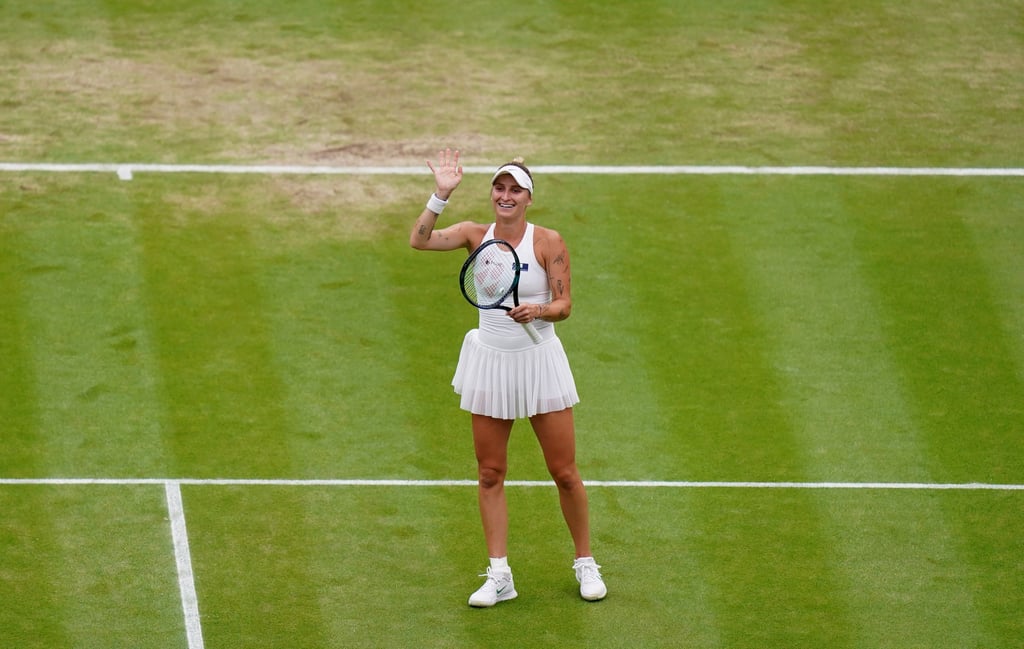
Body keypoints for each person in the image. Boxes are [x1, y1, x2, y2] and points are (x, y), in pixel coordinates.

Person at [409, 148, 607, 607]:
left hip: (539, 364)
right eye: (499, 187)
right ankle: (500, 575)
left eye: (514, 189)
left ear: (528, 197)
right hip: (492, 362)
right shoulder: (473, 235)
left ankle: (585, 562)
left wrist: (538, 310)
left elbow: (565, 305)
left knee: (565, 472)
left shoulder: (549, 242)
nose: (505, 195)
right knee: (490, 472)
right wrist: (440, 194)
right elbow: (419, 241)